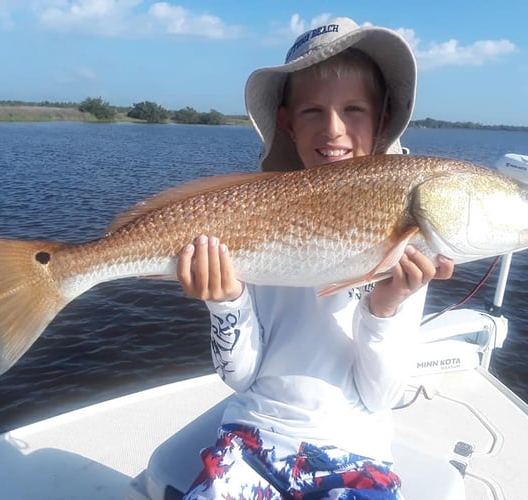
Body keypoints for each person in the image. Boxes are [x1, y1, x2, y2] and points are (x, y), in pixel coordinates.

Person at [177, 17, 454, 500]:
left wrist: (384, 307)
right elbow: (239, 377)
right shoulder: (256, 213)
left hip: (357, 453)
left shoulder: (409, 246)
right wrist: (226, 303)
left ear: (382, 119)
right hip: (248, 438)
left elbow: (380, 398)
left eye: (354, 110)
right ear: (286, 122)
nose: (334, 130)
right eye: (312, 111)